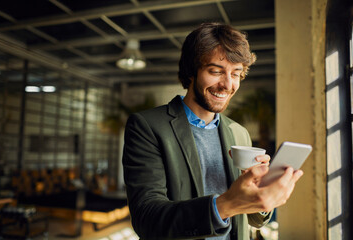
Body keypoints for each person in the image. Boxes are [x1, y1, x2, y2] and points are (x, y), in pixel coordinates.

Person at [122, 22, 303, 240]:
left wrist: (263, 196)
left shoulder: (239, 132)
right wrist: (227, 204)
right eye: (216, 71)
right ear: (191, 71)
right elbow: (147, 220)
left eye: (236, 74)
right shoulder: (147, 126)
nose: (227, 84)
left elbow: (254, 219)